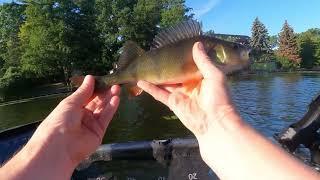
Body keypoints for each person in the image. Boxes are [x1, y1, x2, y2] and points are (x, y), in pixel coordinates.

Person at [0, 42, 319, 180]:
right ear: (215, 53)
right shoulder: (204, 48)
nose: (242, 53)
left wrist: (219, 124)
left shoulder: (208, 57)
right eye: (236, 49)